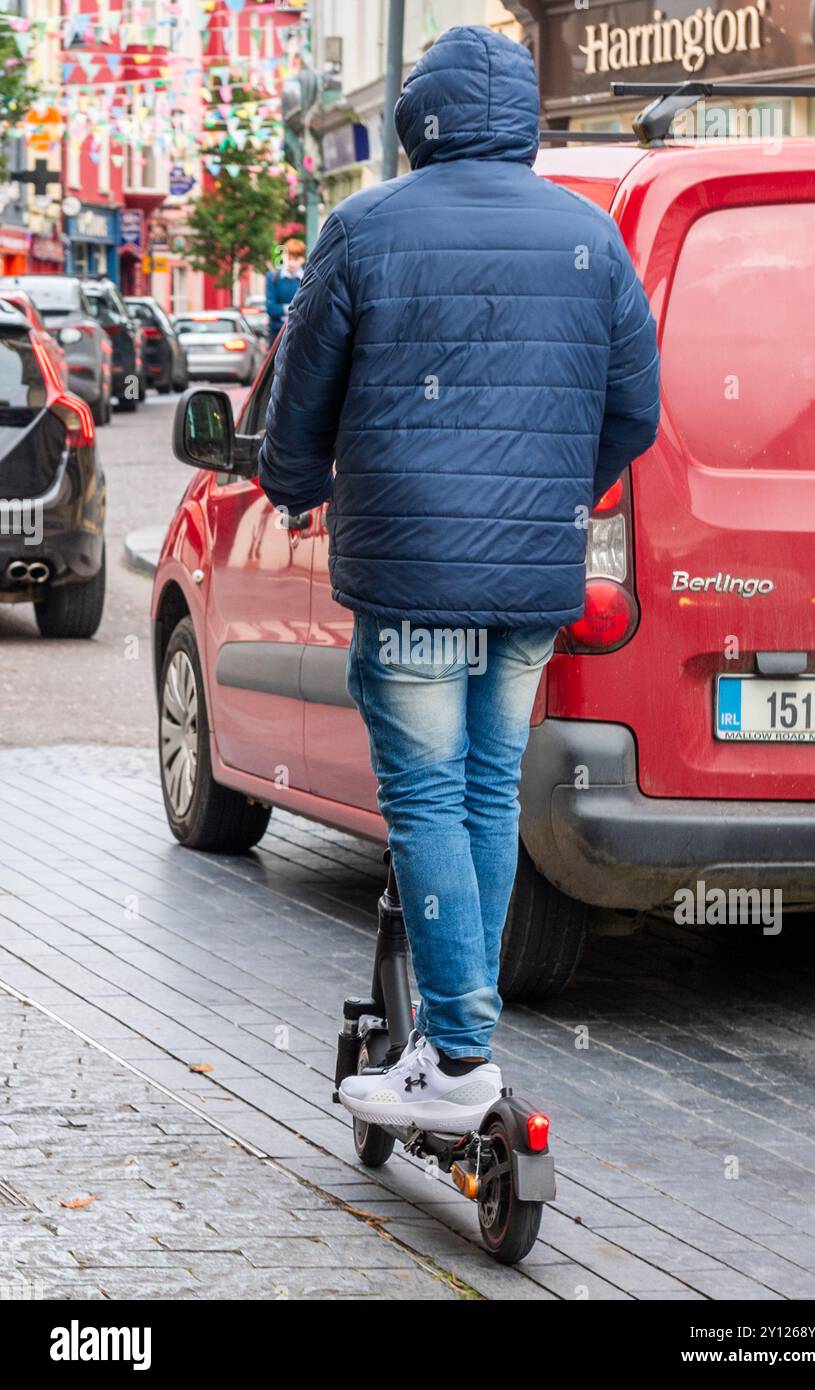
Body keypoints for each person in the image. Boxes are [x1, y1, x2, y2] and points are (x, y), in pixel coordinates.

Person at [258, 26, 660, 1134]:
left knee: (429, 795)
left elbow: (302, 391)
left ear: (415, 118)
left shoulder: (365, 227)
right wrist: (553, 487)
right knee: (487, 793)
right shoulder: (591, 235)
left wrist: (291, 478)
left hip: (410, 575)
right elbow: (635, 406)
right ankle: (453, 1033)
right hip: (532, 578)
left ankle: (459, 1055)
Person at [265, 236, 305, 344]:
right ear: (283, 256)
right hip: (277, 333)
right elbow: (270, 308)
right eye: (289, 258)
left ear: (302, 259)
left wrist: (283, 309)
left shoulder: (307, 279)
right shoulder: (273, 278)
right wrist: (295, 309)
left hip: (300, 333)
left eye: (295, 259)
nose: (292, 263)